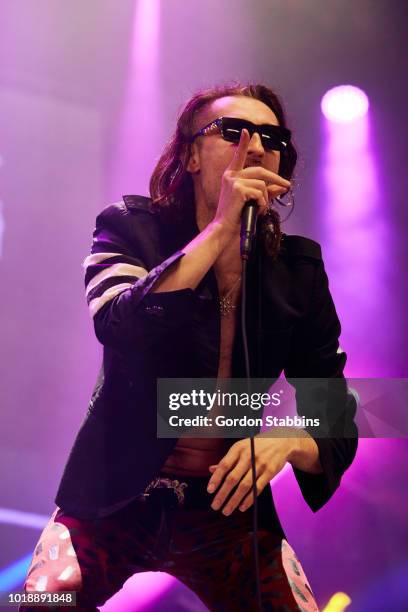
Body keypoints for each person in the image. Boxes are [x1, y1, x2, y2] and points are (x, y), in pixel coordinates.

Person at [21, 83, 358, 611]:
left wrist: (289, 440)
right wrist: (221, 229)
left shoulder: (299, 270)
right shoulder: (130, 228)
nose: (256, 145)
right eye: (234, 132)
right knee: (45, 600)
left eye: (273, 138)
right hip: (117, 489)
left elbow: (336, 405)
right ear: (192, 154)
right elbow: (119, 324)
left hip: (226, 506)